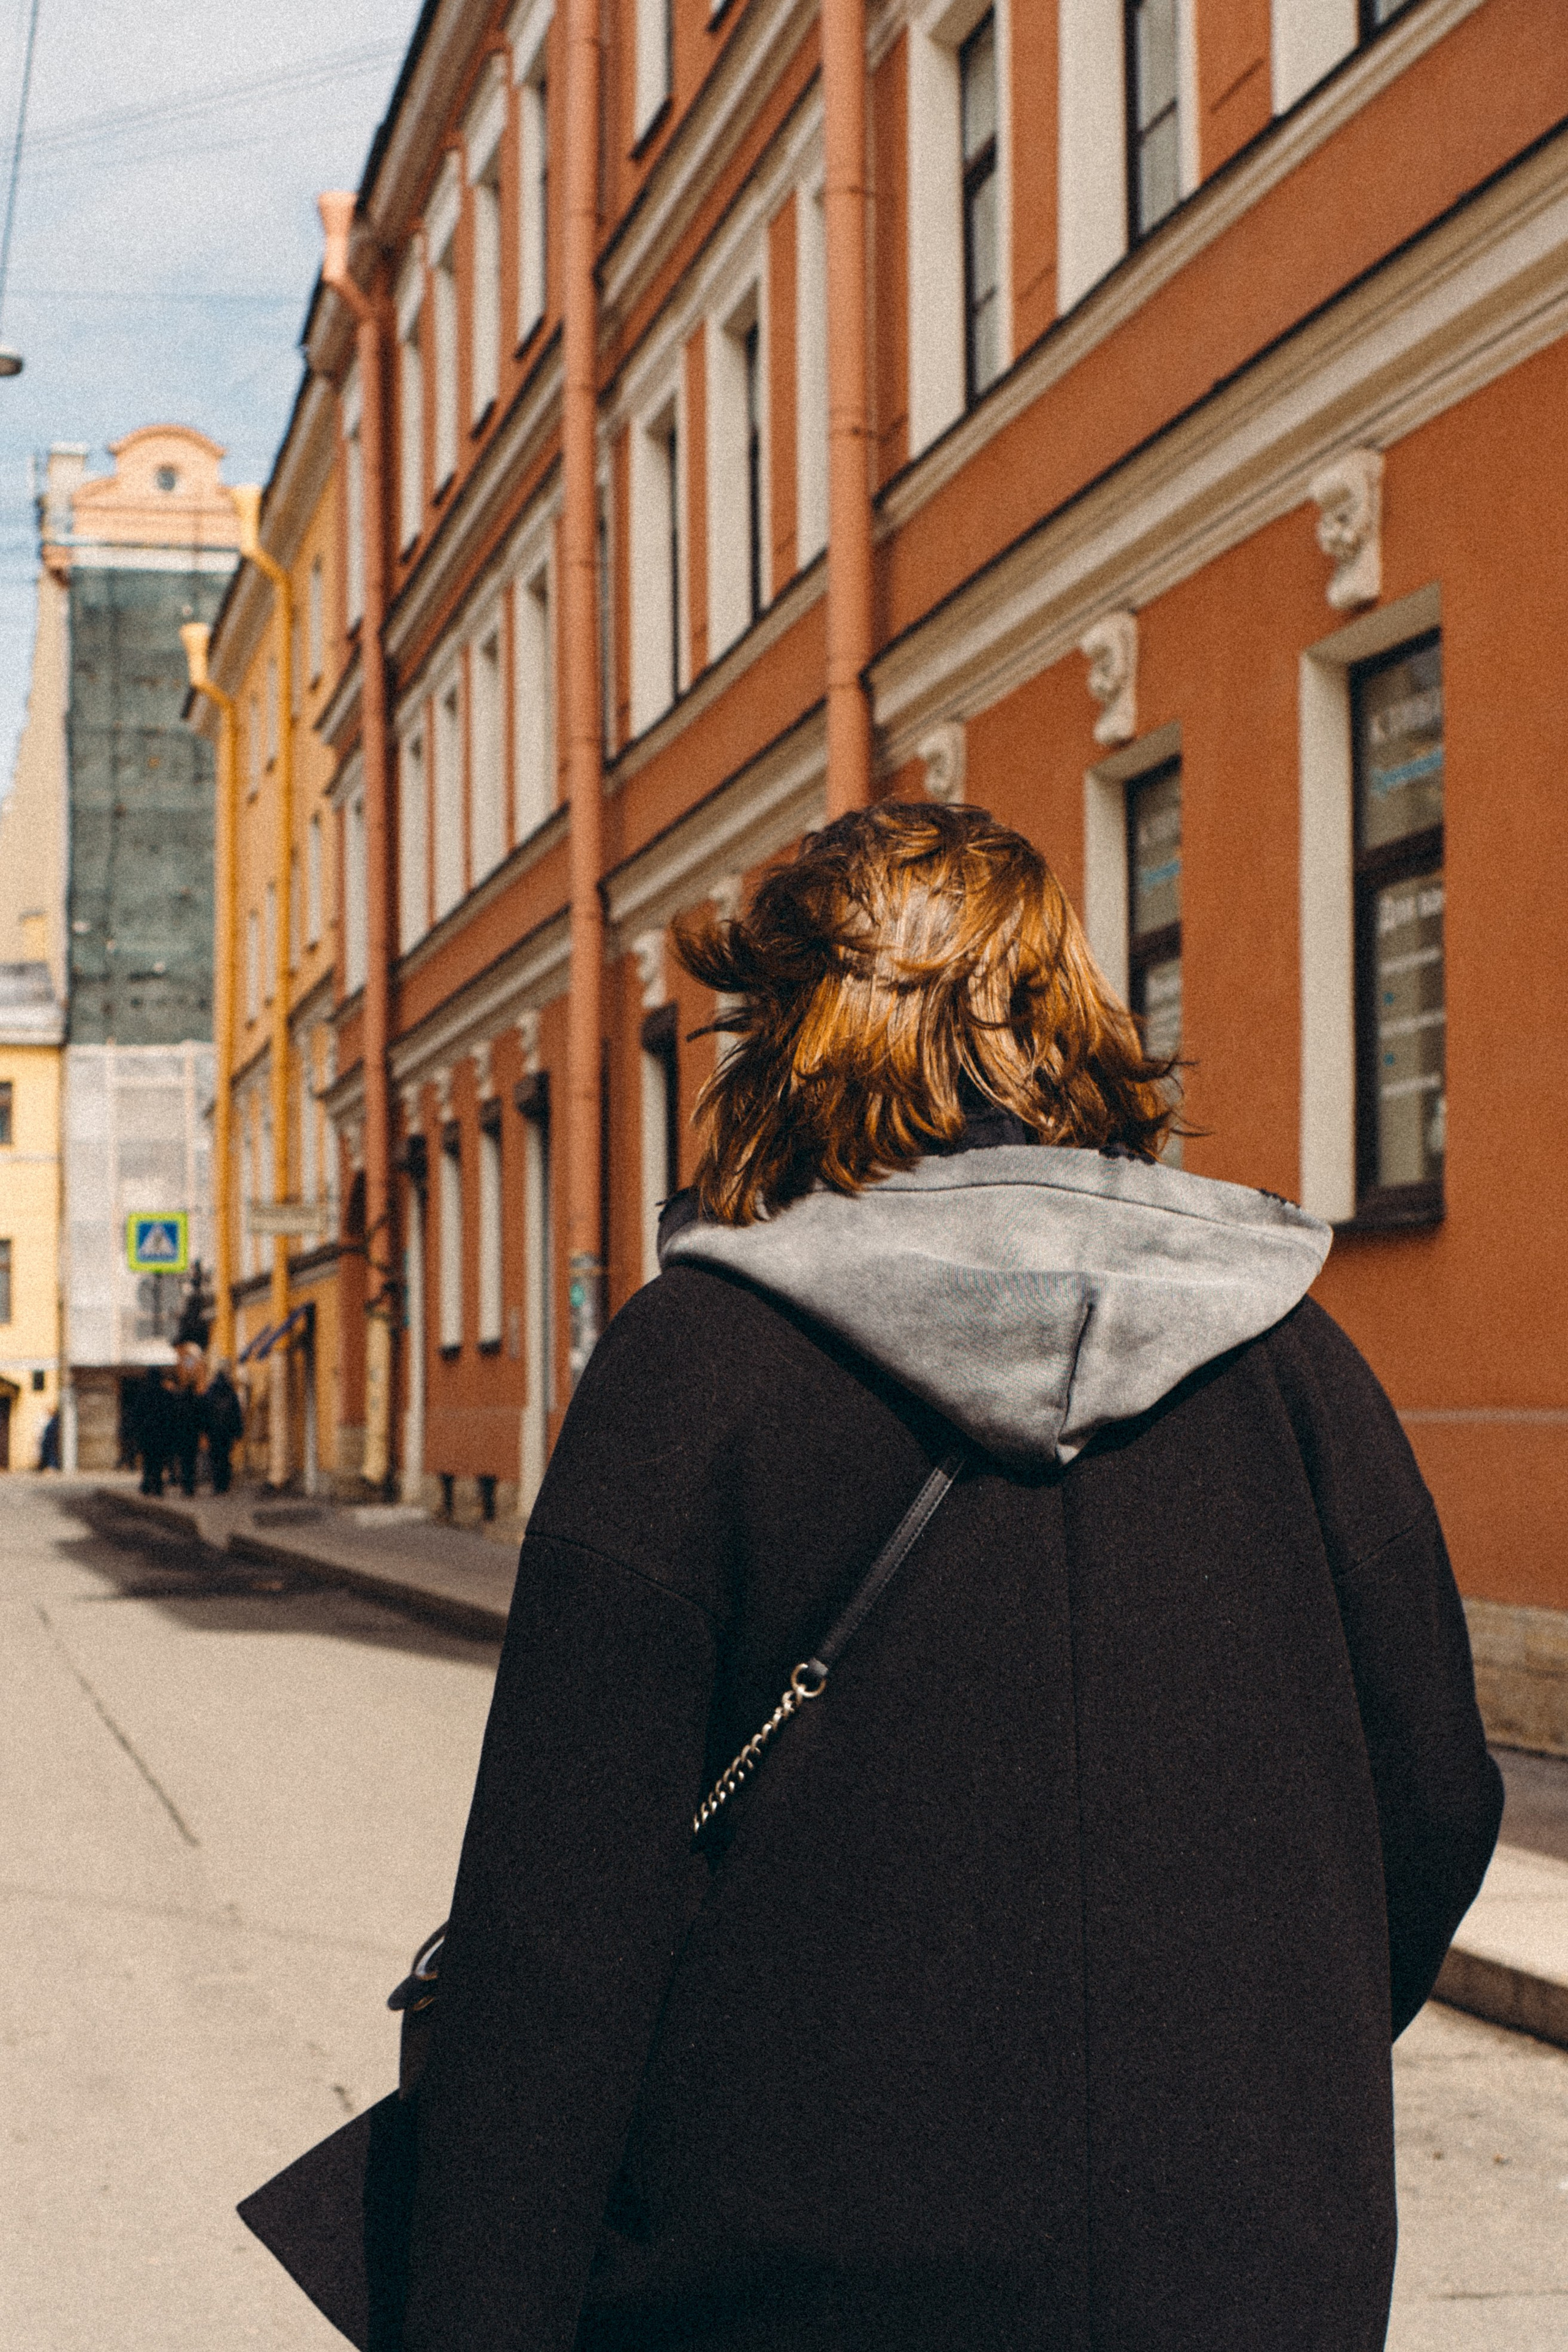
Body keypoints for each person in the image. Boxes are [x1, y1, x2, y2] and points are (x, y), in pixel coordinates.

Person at [402, 803, 1501, 2352]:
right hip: (1246, 2274)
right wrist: (1252, 2077)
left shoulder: (693, 1368)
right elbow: (1438, 1799)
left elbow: (555, 1938)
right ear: (1064, 1016)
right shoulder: (1293, 1358)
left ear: (787, 1037)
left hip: (777, 2281)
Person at [130, 1362, 174, 1497]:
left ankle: (147, 1485)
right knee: (159, 1462)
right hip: (161, 1435)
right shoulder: (165, 1394)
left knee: (148, 1462)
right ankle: (158, 1487)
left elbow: (136, 1416)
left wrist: (136, 1434)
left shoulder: (143, 1394)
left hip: (147, 1435)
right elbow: (170, 1416)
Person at [200, 1362, 244, 1495]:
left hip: (213, 1432)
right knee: (225, 1458)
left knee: (215, 1458)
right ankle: (224, 1484)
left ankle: (217, 1485)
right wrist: (238, 1432)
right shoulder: (231, 1392)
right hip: (227, 1432)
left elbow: (204, 1412)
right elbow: (237, 1414)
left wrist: (204, 1430)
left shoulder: (210, 1392)